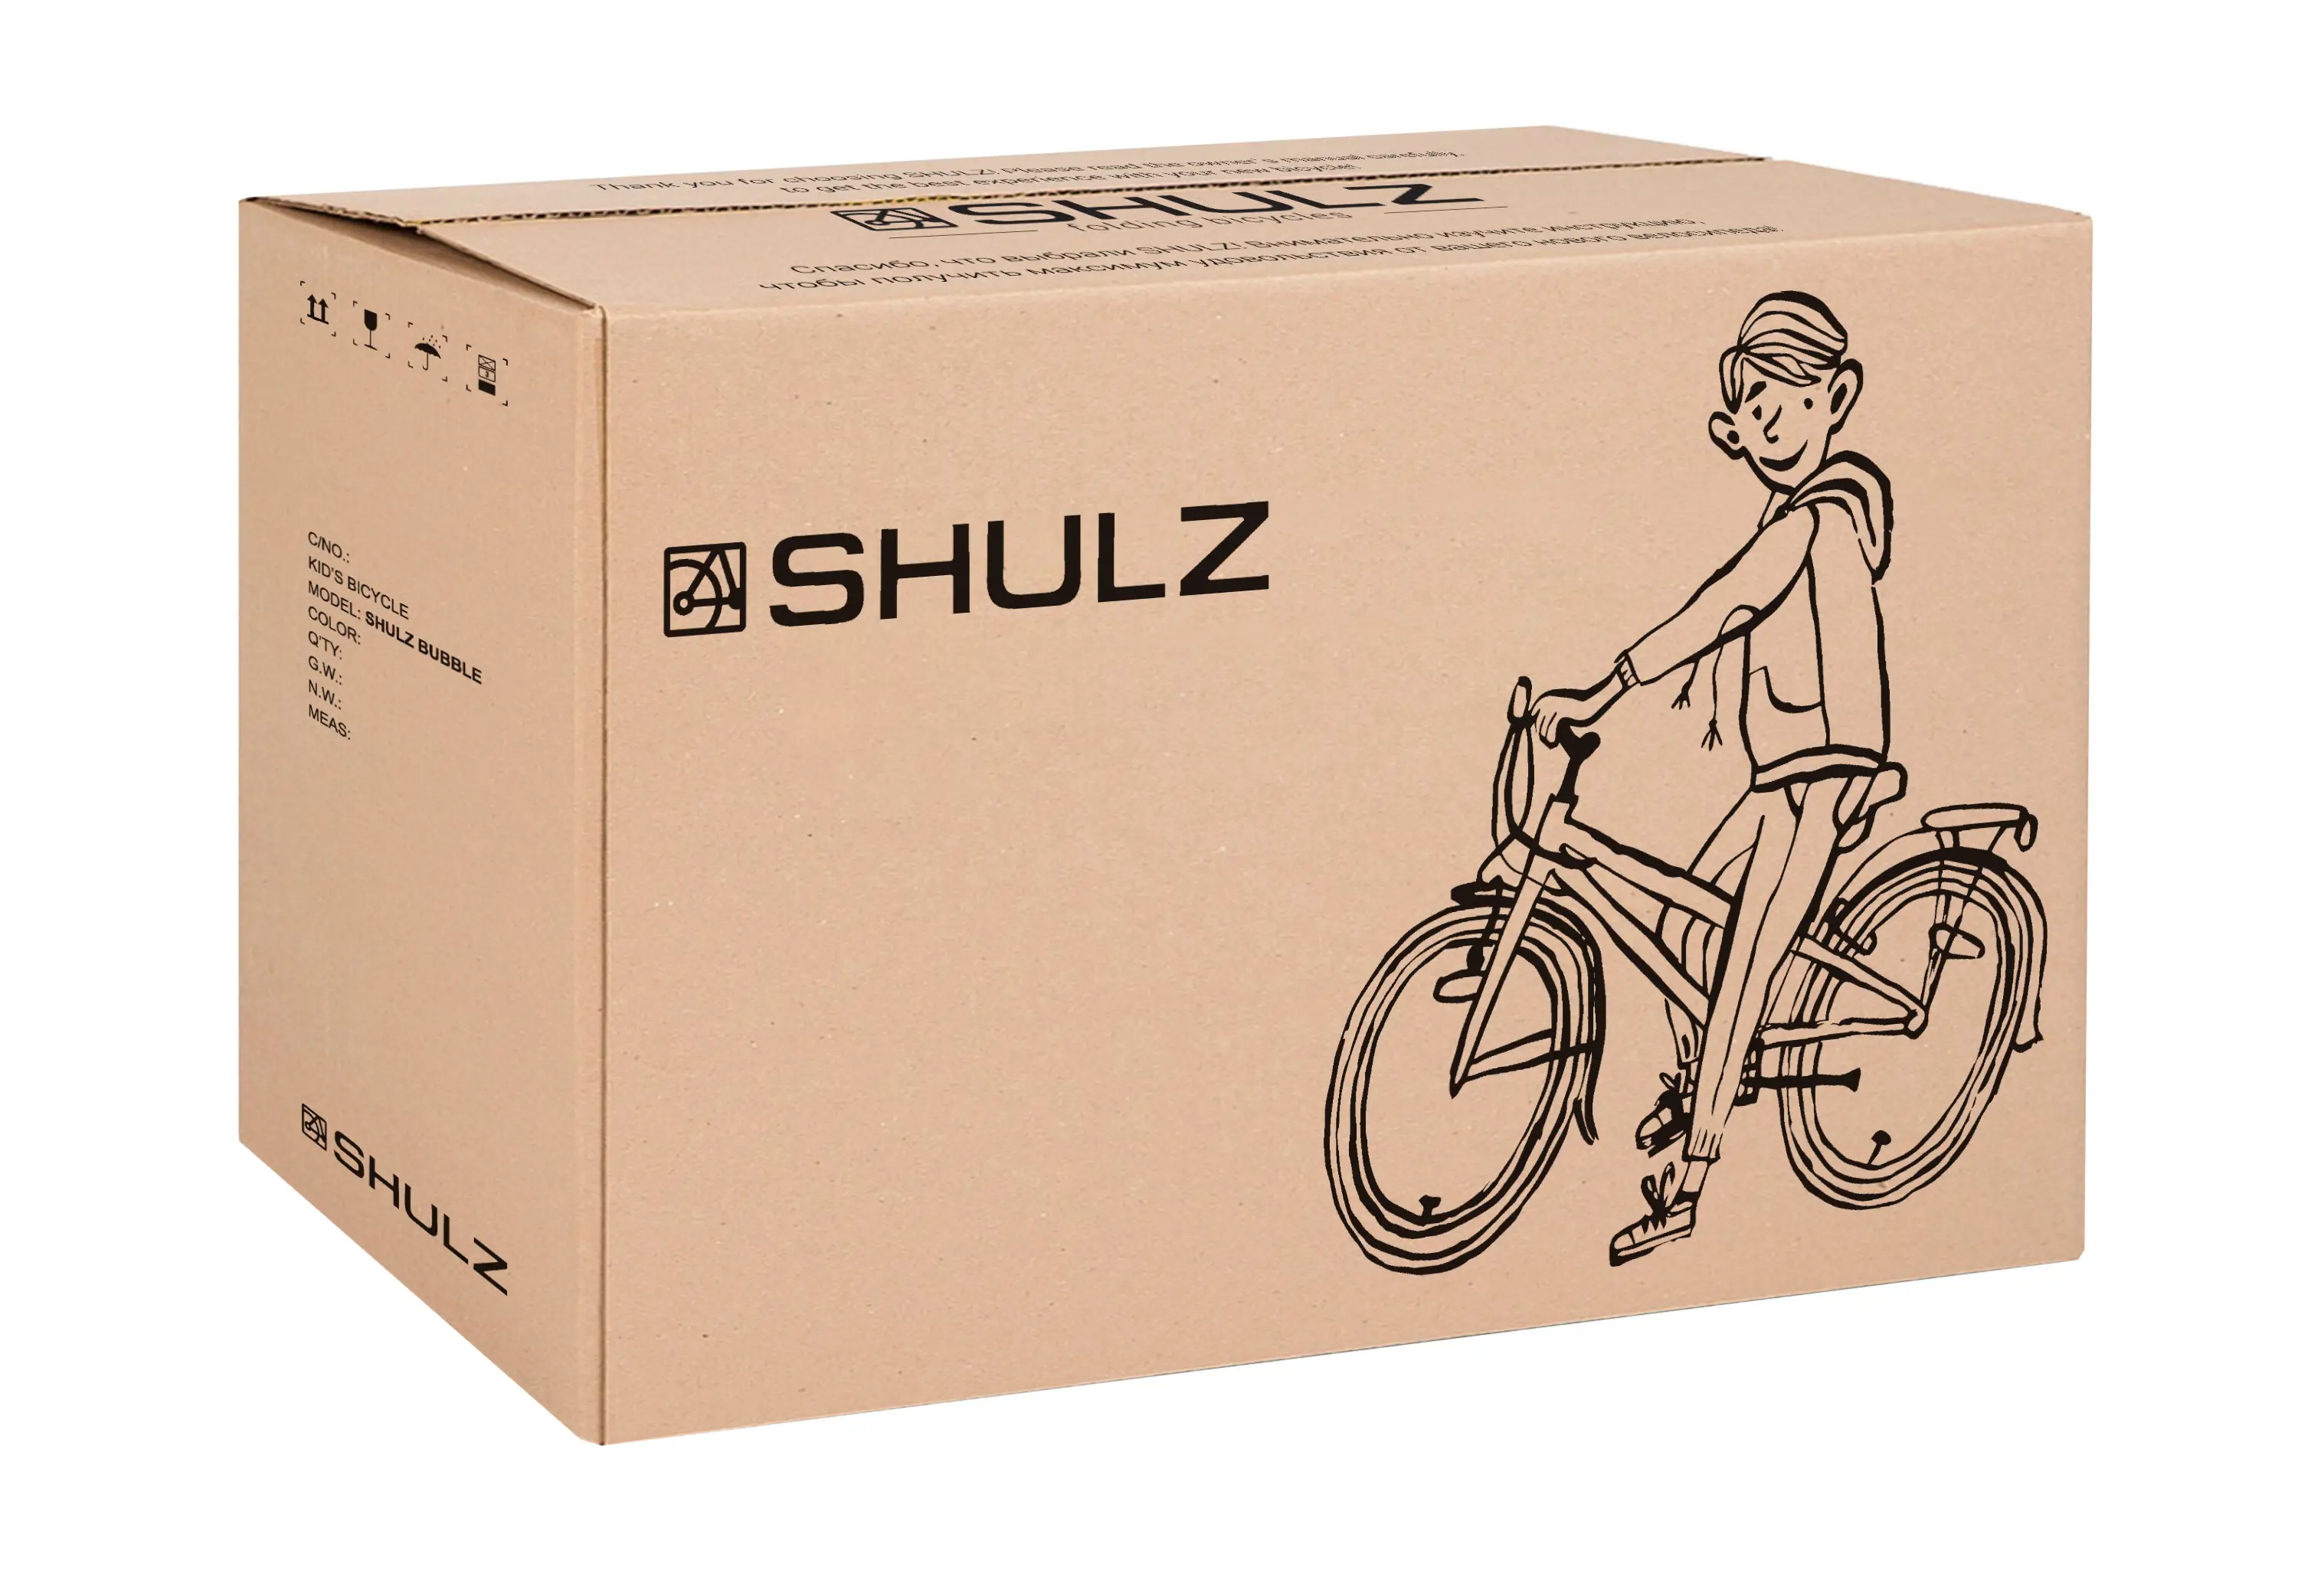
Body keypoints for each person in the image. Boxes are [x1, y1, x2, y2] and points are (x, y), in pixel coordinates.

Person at [1527, 290, 1895, 1265]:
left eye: (1786, 397)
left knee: (1738, 971)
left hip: (1822, 775)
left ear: (1836, 397)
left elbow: (1727, 602)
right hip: (1781, 773)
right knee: (1681, 913)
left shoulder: (1823, 514)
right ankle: (1700, 1080)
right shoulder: (1793, 513)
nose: (1764, 421)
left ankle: (1687, 1184)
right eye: (1750, 405)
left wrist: (1604, 690)